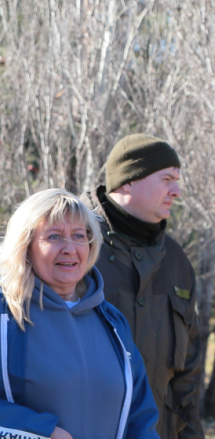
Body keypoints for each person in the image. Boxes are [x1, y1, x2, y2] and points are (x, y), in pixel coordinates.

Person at [0, 189, 159, 439]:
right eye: (54, 236)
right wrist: (40, 432)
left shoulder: (112, 322)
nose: (70, 248)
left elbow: (141, 417)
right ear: (26, 245)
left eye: (79, 235)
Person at [81, 134, 203, 439]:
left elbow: (186, 378)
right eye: (166, 179)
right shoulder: (73, 247)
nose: (176, 191)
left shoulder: (176, 261)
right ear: (127, 182)